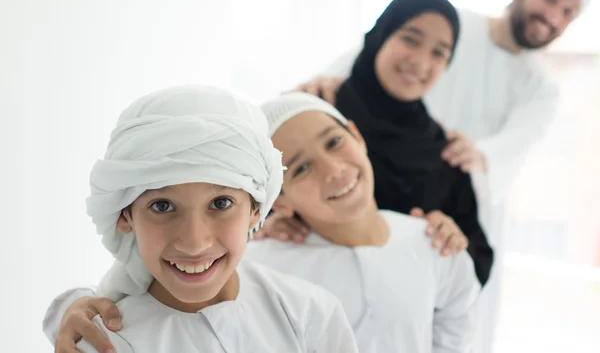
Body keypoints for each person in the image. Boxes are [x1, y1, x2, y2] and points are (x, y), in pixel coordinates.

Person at [294, 0, 592, 353]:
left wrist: (474, 155)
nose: (554, 16)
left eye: (568, 12)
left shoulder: (541, 88)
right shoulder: (454, 24)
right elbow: (370, 56)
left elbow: (517, 142)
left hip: (445, 183)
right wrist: (321, 86)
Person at [42, 92, 482, 353]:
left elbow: (458, 317)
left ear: (257, 208)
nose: (195, 241)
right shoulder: (111, 340)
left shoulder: (311, 308)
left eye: (220, 203)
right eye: (162, 206)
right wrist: (71, 305)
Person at [259, 0, 494, 287]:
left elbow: (478, 264)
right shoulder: (318, 112)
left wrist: (449, 243)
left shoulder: (444, 150)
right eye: (410, 38)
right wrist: (266, 224)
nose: (421, 61)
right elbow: (247, 200)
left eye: (439, 52)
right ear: (381, 35)